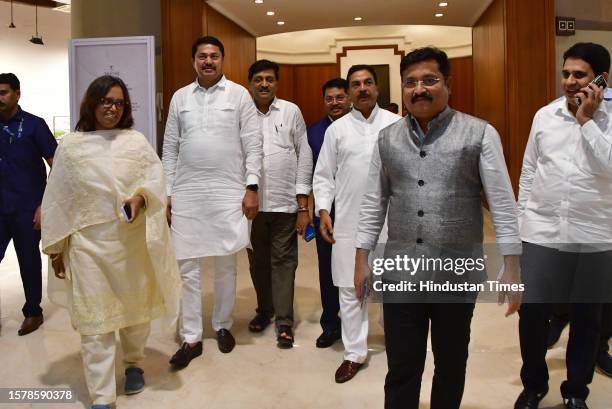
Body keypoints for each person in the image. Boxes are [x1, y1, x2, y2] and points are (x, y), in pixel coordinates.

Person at [354, 47, 521, 409]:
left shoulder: (479, 134)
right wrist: (361, 258)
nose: (419, 89)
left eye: (429, 80)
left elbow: (503, 202)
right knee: (401, 366)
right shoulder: (387, 138)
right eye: (410, 82)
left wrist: (512, 265)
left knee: (450, 364)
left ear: (448, 84)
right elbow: (373, 202)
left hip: (455, 272)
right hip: (401, 272)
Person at [41, 75, 181, 409]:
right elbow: (59, 198)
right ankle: (102, 396)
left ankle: (134, 363)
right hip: (87, 247)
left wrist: (141, 199)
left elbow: (155, 181)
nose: (112, 108)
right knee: (95, 324)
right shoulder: (71, 146)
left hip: (131, 244)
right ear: (91, 103)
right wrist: (57, 248)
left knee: (135, 314)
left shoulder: (135, 142)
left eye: (119, 103)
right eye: (106, 101)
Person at [515, 42, 612, 409]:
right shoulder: (545, 115)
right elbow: (528, 170)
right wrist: (522, 222)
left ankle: (575, 391)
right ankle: (534, 384)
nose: (570, 82)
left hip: (595, 235)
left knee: (587, 319)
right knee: (532, 315)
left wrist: (587, 121)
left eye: (580, 75)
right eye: (566, 73)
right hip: (542, 233)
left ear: (601, 79)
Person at [162, 36, 263, 367]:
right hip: (187, 192)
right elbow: (170, 148)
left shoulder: (239, 96)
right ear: (194, 61)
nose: (208, 61)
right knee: (186, 266)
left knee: (225, 263)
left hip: (227, 191)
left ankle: (222, 325)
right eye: (202, 56)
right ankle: (191, 336)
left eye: (214, 56)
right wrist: (167, 192)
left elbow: (253, 143)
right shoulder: (180, 97)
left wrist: (252, 187)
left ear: (222, 60)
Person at [314, 65, 401, 383]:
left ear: (377, 89)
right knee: (350, 289)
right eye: (355, 84)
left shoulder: (396, 124)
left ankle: (396, 340)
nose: (362, 89)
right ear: (349, 92)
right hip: (348, 221)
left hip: (392, 221)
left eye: (367, 83)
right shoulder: (336, 130)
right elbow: (323, 175)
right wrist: (323, 211)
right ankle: (354, 352)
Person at [245, 59, 313, 348]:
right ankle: (264, 310)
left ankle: (284, 321)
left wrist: (302, 205)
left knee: (284, 263)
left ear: (276, 82)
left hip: (285, 205)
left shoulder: (291, 111)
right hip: (253, 206)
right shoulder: (242, 112)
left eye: (269, 79)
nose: (264, 84)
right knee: (258, 264)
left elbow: (304, 155)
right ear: (250, 83)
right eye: (258, 79)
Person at [0, 73, 56, 336]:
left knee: (28, 261)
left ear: (17, 93)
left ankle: (33, 311)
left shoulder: (35, 125)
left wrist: (44, 205)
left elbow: (57, 166)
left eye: (3, 92)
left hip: (27, 207)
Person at [307, 78, 351, 348]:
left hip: (359, 209)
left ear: (349, 99)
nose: (335, 103)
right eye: (329, 98)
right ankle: (331, 324)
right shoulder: (314, 133)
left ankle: (361, 322)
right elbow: (311, 174)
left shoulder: (360, 128)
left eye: (340, 97)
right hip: (326, 212)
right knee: (328, 271)